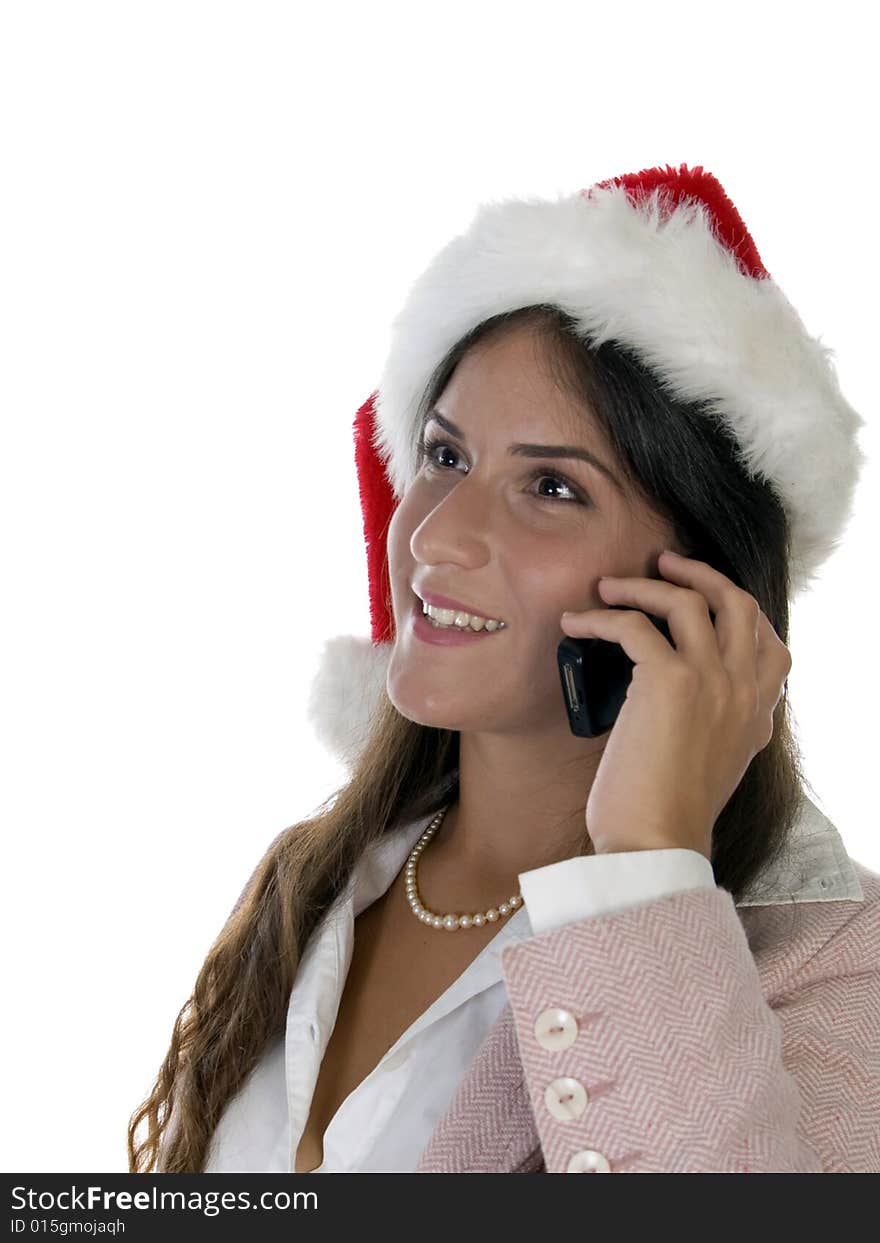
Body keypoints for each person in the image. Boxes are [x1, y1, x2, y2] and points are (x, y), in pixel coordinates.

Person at [129, 162, 879, 1174]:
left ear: (699, 587)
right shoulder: (311, 880)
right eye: (444, 457)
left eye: (551, 487)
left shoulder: (833, 963)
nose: (440, 536)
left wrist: (649, 855)